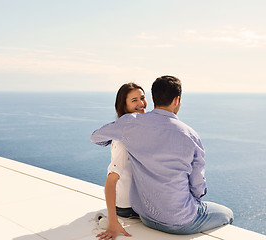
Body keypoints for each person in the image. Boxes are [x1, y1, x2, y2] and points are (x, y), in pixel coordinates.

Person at [91, 76, 233, 235]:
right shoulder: (190, 135)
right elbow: (198, 187)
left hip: (146, 216)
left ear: (152, 99)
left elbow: (96, 137)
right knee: (227, 214)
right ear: (177, 100)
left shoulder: (130, 123)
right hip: (180, 221)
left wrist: (122, 135)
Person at [96, 83, 147, 240]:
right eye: (134, 100)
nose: (141, 103)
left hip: (137, 203)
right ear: (124, 106)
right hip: (128, 208)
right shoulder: (122, 139)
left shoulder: (141, 129)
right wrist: (113, 221)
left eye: (142, 98)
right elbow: (111, 180)